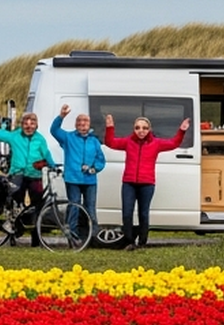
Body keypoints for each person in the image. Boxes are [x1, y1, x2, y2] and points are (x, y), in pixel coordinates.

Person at [101, 112, 192, 250]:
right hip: (129, 183)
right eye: (137, 128)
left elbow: (174, 143)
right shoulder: (128, 142)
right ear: (134, 129)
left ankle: (142, 242)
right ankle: (129, 241)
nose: (141, 131)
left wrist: (182, 130)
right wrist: (109, 127)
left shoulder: (156, 143)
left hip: (147, 184)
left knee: (143, 213)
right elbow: (110, 142)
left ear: (149, 129)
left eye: (144, 128)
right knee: (127, 213)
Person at [0, 103, 54, 239]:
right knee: (17, 203)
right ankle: (15, 230)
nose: (29, 126)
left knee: (37, 205)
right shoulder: (15, 136)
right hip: (17, 174)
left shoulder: (40, 139)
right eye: (26, 124)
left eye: (32, 124)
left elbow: (46, 154)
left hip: (35, 175)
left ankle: (36, 236)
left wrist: (53, 165)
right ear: (22, 125)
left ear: (36, 126)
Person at [51, 103, 106, 242]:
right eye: (79, 121)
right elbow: (54, 130)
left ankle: (91, 237)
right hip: (73, 179)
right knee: (74, 207)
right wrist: (61, 116)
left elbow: (101, 160)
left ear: (89, 125)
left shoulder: (94, 141)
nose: (82, 124)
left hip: (90, 180)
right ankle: (73, 236)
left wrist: (94, 168)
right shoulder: (68, 137)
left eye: (85, 121)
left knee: (90, 209)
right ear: (75, 125)